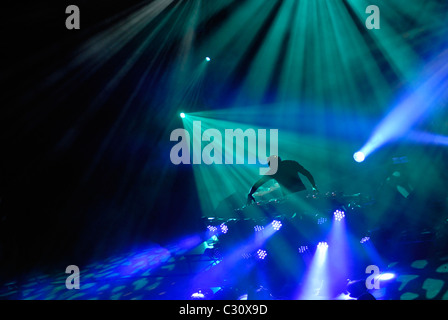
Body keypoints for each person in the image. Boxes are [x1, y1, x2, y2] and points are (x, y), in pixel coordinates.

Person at [246, 156, 318, 205]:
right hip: (301, 192)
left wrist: (250, 194)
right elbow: (307, 173)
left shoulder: (273, 171)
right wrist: (313, 185)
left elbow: (257, 184)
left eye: (269, 165)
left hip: (290, 196)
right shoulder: (291, 163)